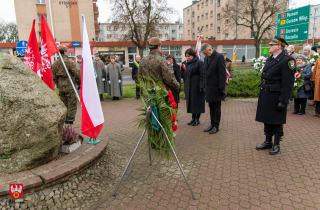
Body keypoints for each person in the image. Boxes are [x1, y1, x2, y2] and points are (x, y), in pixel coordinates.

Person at [255, 36, 296, 155]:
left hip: (276, 94)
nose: (269, 46)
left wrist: (284, 100)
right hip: (266, 92)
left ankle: (276, 143)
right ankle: (268, 141)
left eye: (271, 45)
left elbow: (288, 83)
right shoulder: (270, 59)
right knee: (266, 118)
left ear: (279, 46)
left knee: (277, 120)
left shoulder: (287, 60)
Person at [52, 45, 81, 125]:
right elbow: (77, 73)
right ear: (65, 52)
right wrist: (80, 82)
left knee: (63, 103)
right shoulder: (69, 61)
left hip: (61, 86)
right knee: (71, 103)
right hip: (70, 85)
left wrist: (58, 85)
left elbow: (54, 77)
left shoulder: (55, 63)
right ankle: (69, 120)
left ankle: (64, 119)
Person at [201, 43, 226, 134]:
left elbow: (222, 74)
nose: (204, 55)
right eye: (203, 53)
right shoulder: (206, 58)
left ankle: (216, 126)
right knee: (211, 107)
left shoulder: (219, 57)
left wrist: (221, 88)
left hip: (216, 87)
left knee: (216, 108)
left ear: (210, 50)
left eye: (205, 53)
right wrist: (204, 85)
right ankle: (212, 124)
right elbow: (205, 72)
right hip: (209, 87)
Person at [184, 48, 205, 126]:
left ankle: (197, 119)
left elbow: (202, 75)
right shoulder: (188, 63)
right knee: (191, 102)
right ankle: (193, 118)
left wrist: (202, 86)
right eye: (186, 56)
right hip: (190, 85)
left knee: (197, 102)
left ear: (193, 55)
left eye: (189, 56)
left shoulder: (199, 63)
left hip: (197, 85)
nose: (187, 58)